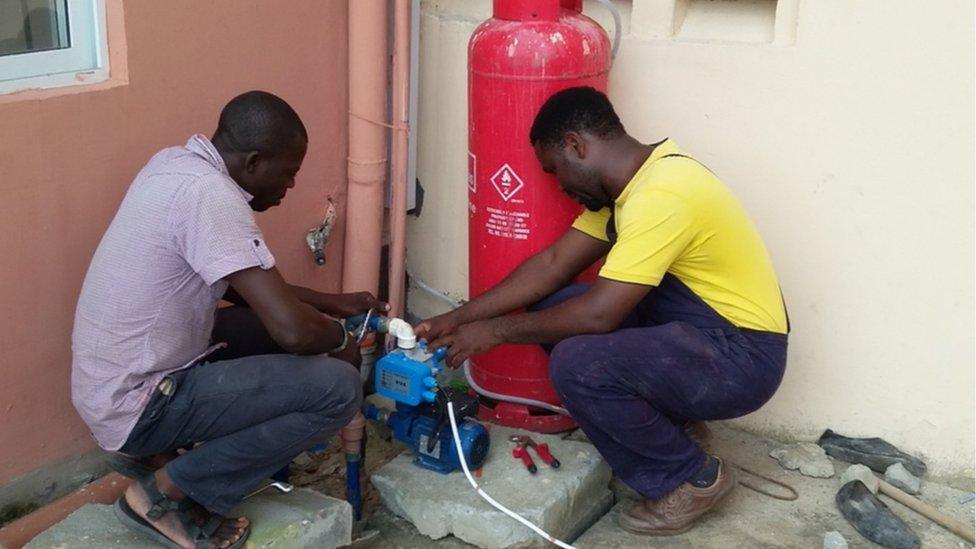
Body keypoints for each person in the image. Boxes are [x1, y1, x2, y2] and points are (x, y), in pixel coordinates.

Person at [416, 86, 789, 536]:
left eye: (555, 170)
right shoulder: (627, 190)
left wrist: (494, 332)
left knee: (580, 361)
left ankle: (693, 477)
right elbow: (552, 266)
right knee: (558, 308)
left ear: (576, 145)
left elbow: (598, 317)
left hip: (742, 358)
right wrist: (461, 317)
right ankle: (675, 429)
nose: (559, 185)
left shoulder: (664, 193)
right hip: (701, 334)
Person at [71, 91, 386, 548]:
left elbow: (232, 279)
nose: (291, 186)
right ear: (255, 162)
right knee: (337, 388)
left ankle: (162, 456)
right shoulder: (212, 198)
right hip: (138, 403)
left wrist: (330, 301)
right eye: (289, 173)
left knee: (251, 327)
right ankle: (167, 496)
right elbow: (294, 333)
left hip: (109, 384)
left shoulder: (175, 166)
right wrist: (340, 339)